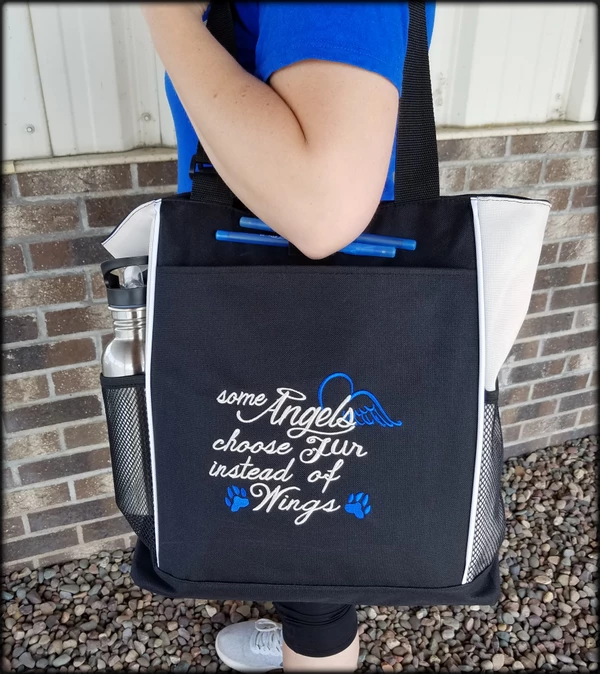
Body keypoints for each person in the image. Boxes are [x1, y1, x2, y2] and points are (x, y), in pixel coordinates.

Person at [141, 2, 435, 671]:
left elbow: (323, 205)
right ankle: (304, 628)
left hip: (314, 296)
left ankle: (313, 645)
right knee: (302, 517)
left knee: (317, 558)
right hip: (288, 284)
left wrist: (169, 19)